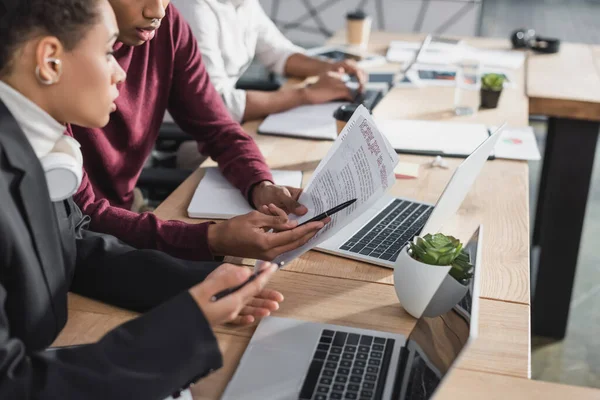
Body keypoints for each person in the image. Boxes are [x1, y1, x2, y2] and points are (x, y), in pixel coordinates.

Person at [0, 0, 288, 397]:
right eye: (107, 51)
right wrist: (178, 331)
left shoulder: (32, 143)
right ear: (50, 61)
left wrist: (202, 287)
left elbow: (79, 247)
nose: (121, 71)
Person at [68, 0, 326, 263]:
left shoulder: (167, 26)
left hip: (124, 217)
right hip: (79, 235)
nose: (157, 11)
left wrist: (260, 184)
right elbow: (80, 215)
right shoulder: (60, 50)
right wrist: (212, 239)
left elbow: (219, 128)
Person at [171, 0, 368, 123]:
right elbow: (216, 104)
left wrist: (327, 66)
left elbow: (278, 53)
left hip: (227, 122)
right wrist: (306, 94)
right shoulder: (194, 9)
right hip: (190, 133)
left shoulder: (243, 3)